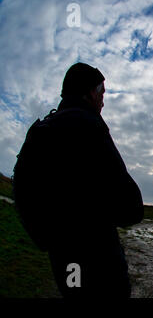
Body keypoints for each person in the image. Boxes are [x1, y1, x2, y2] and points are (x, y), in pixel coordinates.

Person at [42, 62, 143, 298]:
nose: (103, 101)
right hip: (99, 260)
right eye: (102, 93)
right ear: (90, 93)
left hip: (63, 258)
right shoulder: (89, 125)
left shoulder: (44, 129)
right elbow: (129, 204)